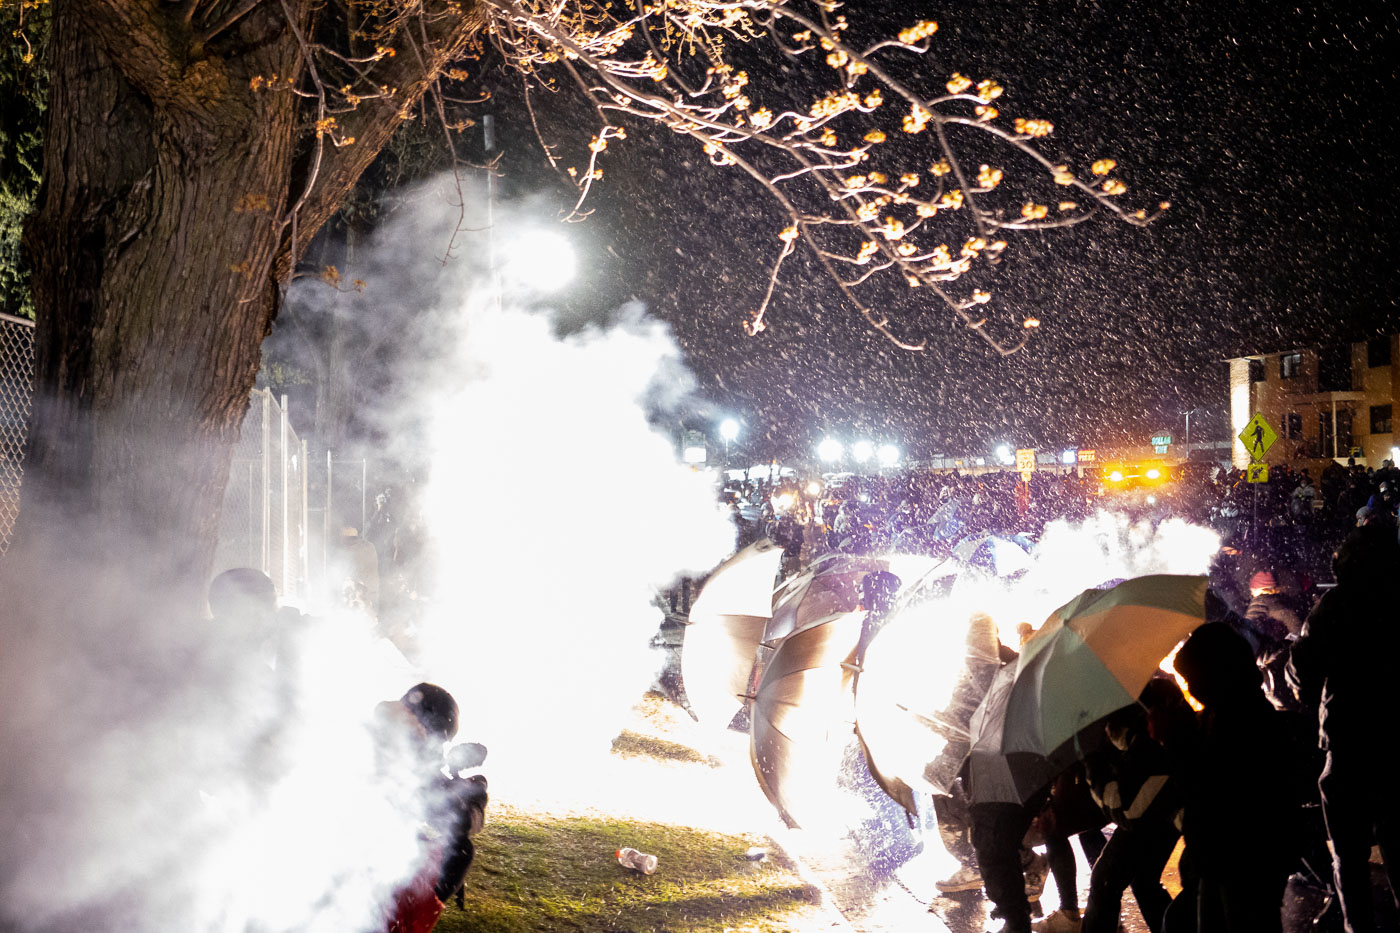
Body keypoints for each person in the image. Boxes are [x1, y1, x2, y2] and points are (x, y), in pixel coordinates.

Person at [1287, 523, 1400, 933]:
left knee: (1348, 857)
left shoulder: (1338, 605)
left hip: (1350, 745)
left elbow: (1301, 674)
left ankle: (1359, 928)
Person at [1172, 622, 1300, 933]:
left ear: (1215, 675)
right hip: (1221, 859)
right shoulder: (1225, 715)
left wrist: (1177, 744)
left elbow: (1213, 792)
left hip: (1242, 862)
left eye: (1192, 680)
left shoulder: (1242, 726)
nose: (1189, 688)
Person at [379, 683, 489, 933]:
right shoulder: (404, 746)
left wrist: (460, 785)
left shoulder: (381, 731)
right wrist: (471, 797)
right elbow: (457, 822)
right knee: (458, 853)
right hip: (358, 864)